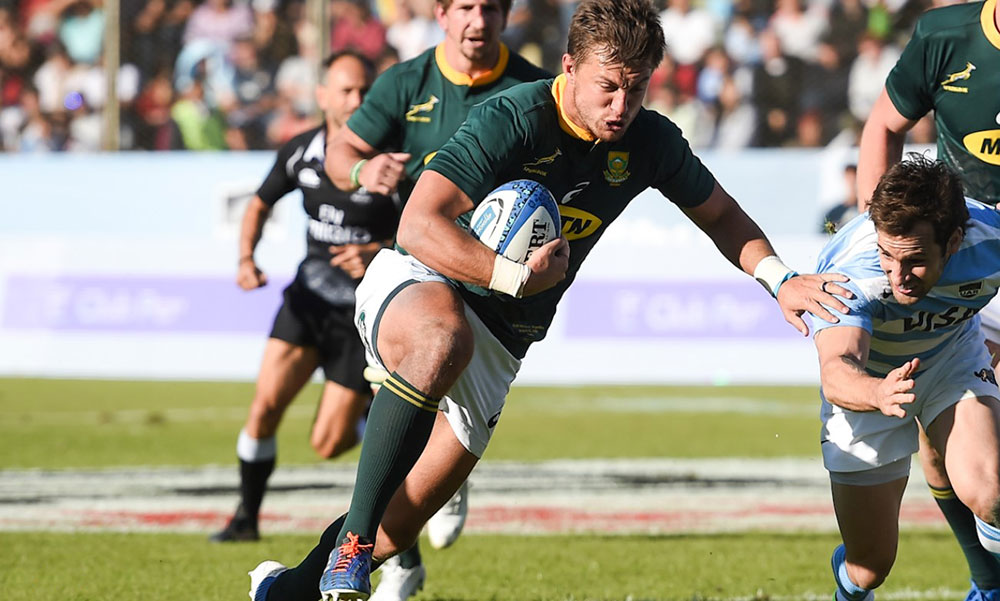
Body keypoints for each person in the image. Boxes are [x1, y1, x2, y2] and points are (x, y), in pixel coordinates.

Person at [246, 2, 853, 600]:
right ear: (568, 67)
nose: (621, 106)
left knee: (397, 527)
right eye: (608, 87)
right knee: (441, 339)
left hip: (504, 334)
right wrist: (510, 275)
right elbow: (419, 223)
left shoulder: (650, 140)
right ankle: (350, 545)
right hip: (423, 279)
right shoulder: (513, 116)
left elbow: (718, 214)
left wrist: (779, 278)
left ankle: (284, 591)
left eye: (637, 89)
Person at [322, 2, 549, 597]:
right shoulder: (406, 82)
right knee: (395, 398)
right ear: (441, 14)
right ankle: (396, 560)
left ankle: (396, 539)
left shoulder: (534, 89)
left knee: (421, 403)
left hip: (492, 281)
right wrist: (363, 172)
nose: (479, 20)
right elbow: (339, 153)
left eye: (490, 7)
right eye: (465, 7)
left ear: (506, 14)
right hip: (416, 268)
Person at [210, 51, 398, 544]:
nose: (356, 100)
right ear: (322, 96)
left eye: (365, 90)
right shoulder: (300, 152)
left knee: (327, 444)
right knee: (264, 407)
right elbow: (259, 204)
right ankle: (246, 519)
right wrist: (245, 259)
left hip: (363, 317)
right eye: (346, 90)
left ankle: (374, 420)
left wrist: (379, 251)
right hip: (308, 302)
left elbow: (429, 227)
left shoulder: (393, 161)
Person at [856, 1, 1000, 597]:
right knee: (946, 440)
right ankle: (987, 579)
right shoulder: (946, 36)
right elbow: (883, 126)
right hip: (961, 255)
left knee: (988, 463)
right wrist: (877, 235)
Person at [810, 155, 1000, 601]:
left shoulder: (991, 238)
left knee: (992, 493)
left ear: (954, 241)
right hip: (869, 384)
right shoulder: (851, 274)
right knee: (869, 568)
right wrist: (878, 392)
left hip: (951, 358)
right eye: (887, 255)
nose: (898, 277)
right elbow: (837, 371)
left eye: (914, 260)